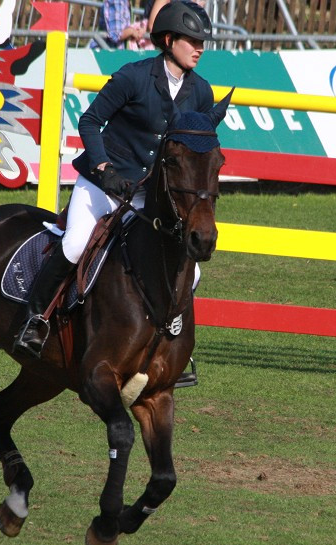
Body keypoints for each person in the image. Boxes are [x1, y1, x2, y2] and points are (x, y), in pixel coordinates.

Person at [14, 0, 215, 366]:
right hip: (102, 184)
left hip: (145, 197)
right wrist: (104, 167)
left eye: (203, 41)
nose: (200, 48)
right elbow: (90, 121)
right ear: (169, 39)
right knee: (75, 244)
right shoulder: (134, 76)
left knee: (192, 268)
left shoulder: (201, 92)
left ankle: (172, 342)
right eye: (192, 40)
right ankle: (35, 319)